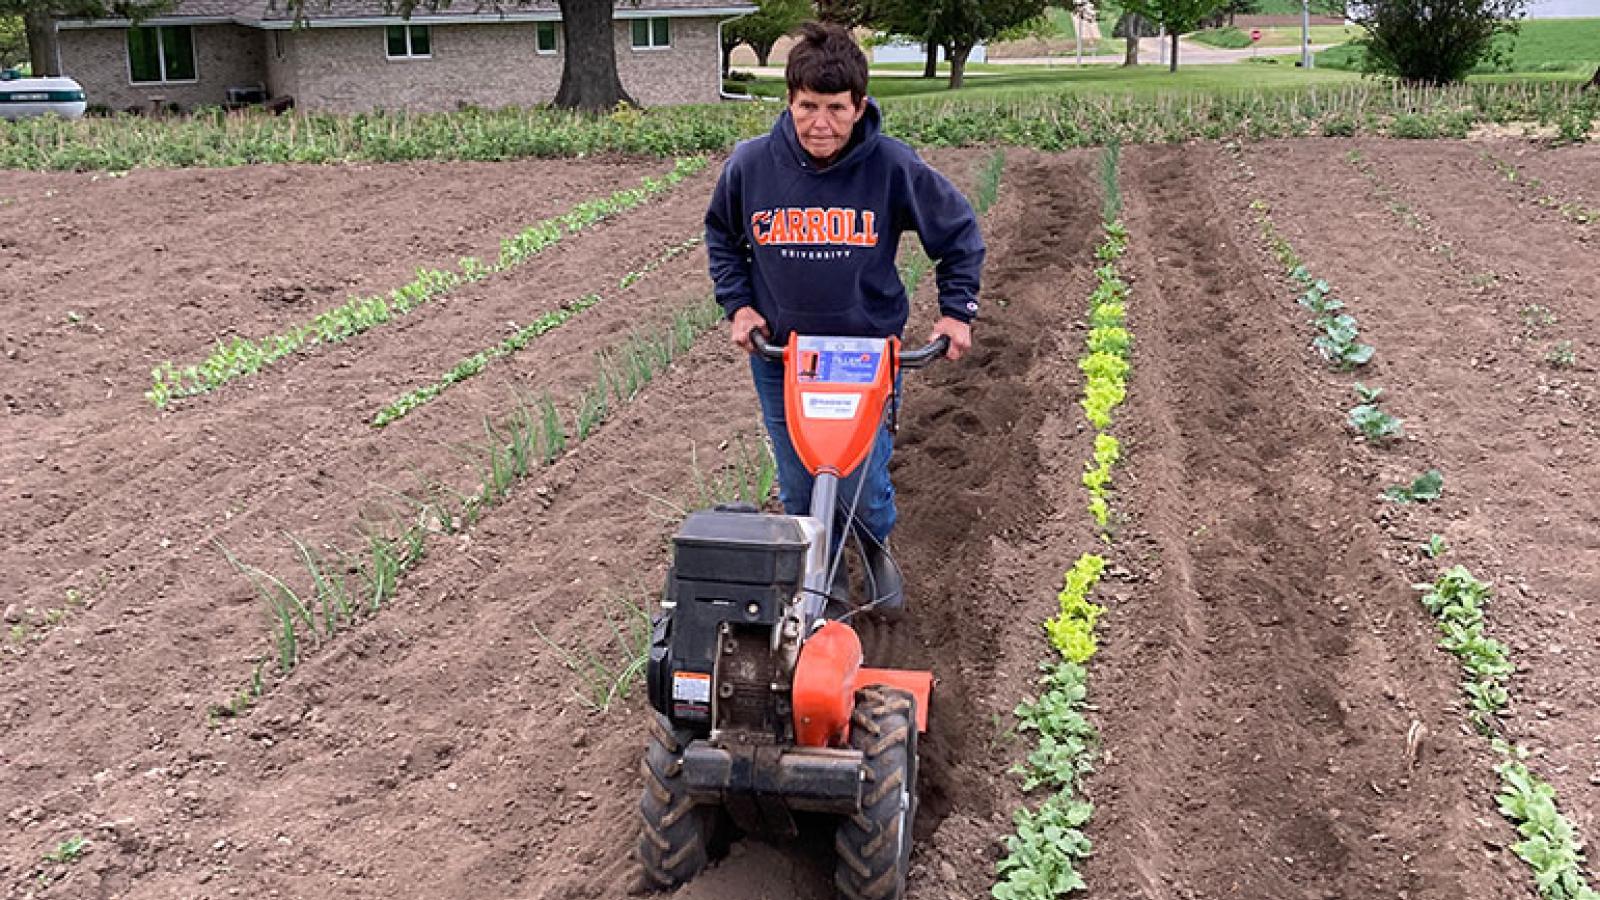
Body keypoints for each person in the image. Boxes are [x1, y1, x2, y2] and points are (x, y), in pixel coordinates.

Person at [704, 21, 985, 609]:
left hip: (865, 354)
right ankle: (823, 575)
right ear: (789, 101)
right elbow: (723, 236)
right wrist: (739, 305)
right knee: (798, 480)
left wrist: (956, 312)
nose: (820, 123)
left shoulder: (891, 166)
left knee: (862, 481)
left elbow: (958, 234)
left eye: (836, 108)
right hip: (785, 356)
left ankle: (875, 546)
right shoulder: (752, 165)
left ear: (859, 106)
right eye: (808, 106)